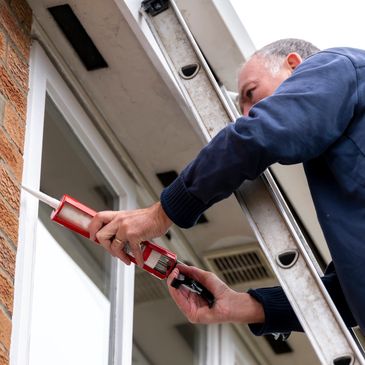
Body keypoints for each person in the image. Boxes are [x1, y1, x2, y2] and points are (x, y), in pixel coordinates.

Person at [88, 38, 365, 336]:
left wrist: (160, 214)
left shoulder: (337, 65)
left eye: (251, 93)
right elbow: (349, 296)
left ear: (294, 65)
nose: (247, 114)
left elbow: (259, 134)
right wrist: (239, 305)